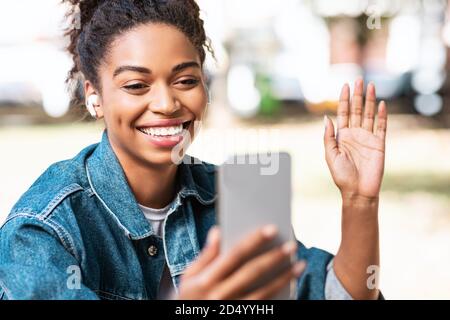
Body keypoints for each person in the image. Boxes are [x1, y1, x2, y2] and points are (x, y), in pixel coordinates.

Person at [0, 0, 387, 300]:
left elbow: (335, 292)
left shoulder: (238, 197)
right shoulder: (42, 229)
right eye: (136, 85)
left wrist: (359, 201)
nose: (167, 104)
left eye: (185, 80)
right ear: (95, 96)